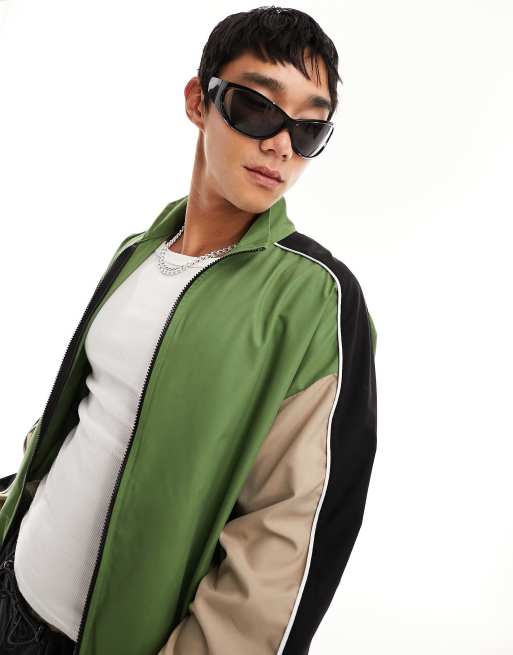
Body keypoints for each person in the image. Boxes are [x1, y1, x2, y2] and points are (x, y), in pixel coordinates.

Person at [0, 6, 378, 654]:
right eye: (257, 107)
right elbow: (83, 416)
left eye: (308, 128)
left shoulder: (317, 298)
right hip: (13, 582)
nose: (281, 146)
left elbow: (284, 538)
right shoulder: (137, 253)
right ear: (199, 102)